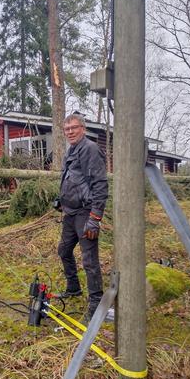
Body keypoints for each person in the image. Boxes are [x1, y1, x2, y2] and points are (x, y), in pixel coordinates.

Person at [57, 113, 109, 321]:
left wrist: (95, 217)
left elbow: (100, 184)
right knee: (64, 250)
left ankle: (96, 303)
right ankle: (73, 288)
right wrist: (61, 200)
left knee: (89, 260)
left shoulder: (90, 149)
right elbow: (73, 180)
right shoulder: (72, 150)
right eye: (67, 129)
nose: (70, 131)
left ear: (83, 129)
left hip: (85, 213)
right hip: (70, 212)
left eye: (74, 128)